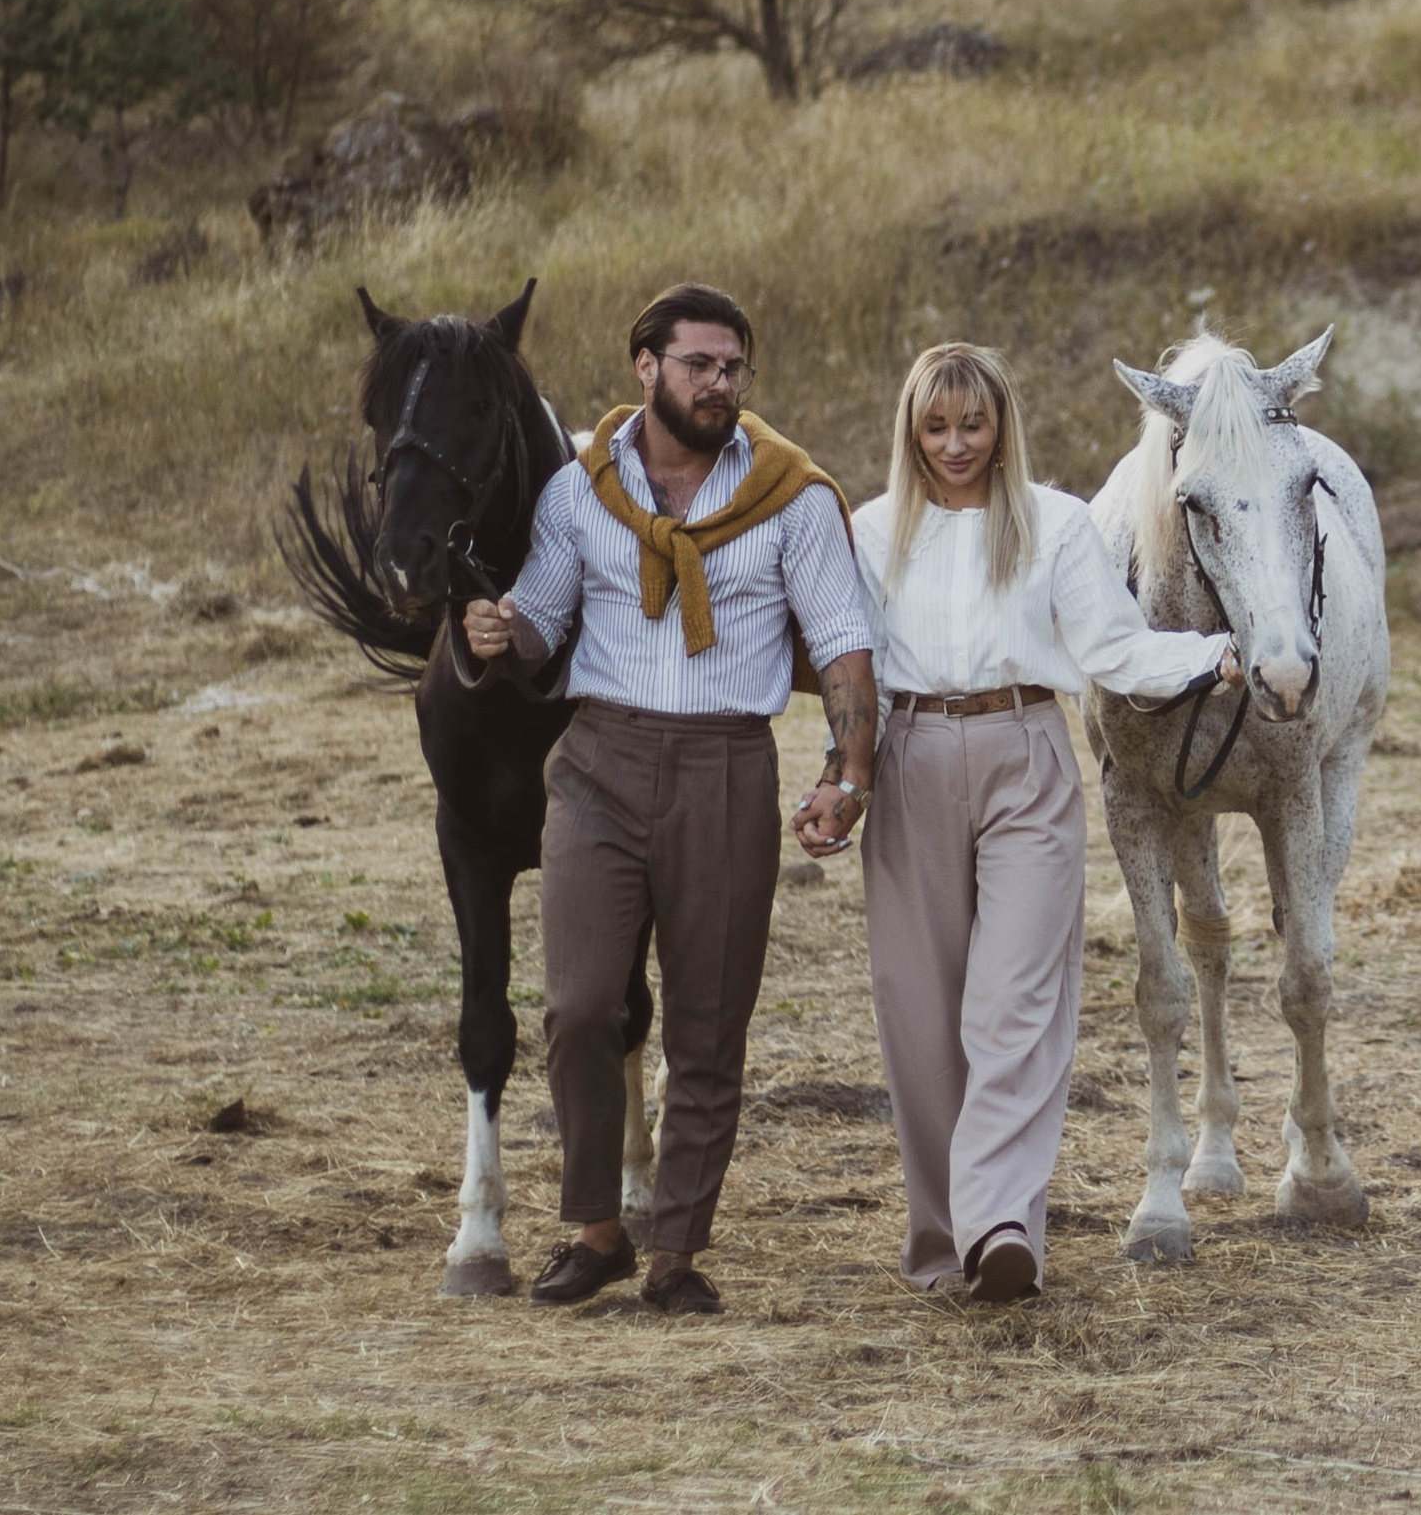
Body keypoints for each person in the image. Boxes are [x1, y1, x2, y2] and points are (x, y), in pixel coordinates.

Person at [462, 283, 875, 1317]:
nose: (719, 383)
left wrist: (847, 772)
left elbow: (844, 646)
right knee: (579, 1004)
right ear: (644, 365)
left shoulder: (792, 495)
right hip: (598, 761)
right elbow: (543, 624)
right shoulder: (578, 494)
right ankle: (597, 1228)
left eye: (733, 366)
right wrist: (499, 630)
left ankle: (677, 1252)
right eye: (698, 363)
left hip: (725, 770)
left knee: (706, 1026)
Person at [817, 341, 1238, 1301]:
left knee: (1016, 1005)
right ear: (909, 431)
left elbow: (1113, 648)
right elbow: (860, 671)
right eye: (936, 426)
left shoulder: (1053, 524)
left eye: (973, 423)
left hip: (1025, 755)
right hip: (911, 758)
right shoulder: (872, 530)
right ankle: (940, 1245)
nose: (956, 443)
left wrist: (1210, 653)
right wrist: (842, 779)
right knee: (920, 1016)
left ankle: (1001, 1224)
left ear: (1001, 422)